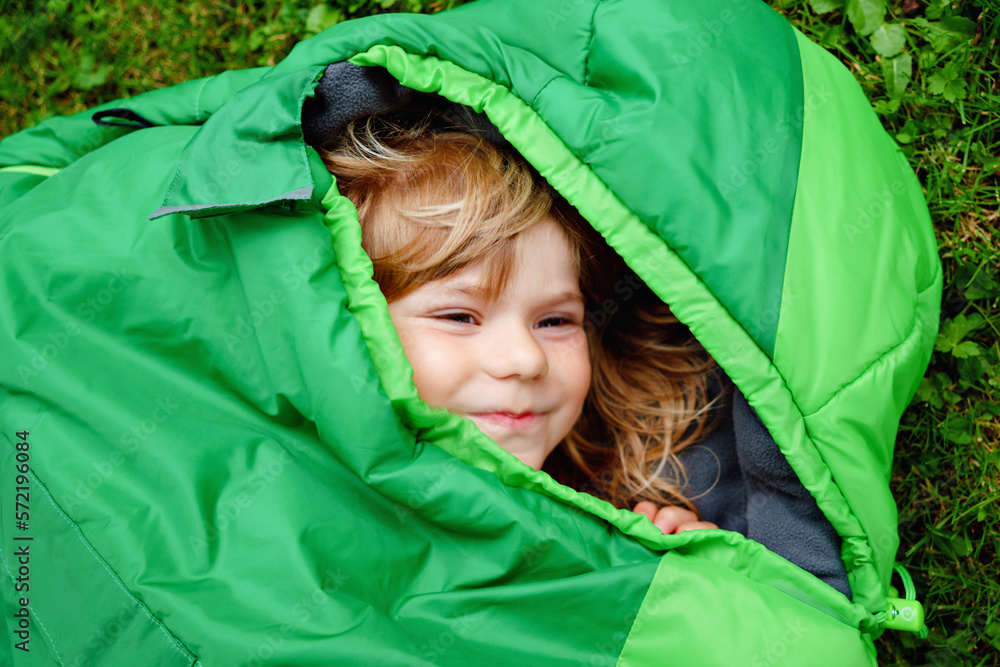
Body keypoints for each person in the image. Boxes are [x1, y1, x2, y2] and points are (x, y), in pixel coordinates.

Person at [319, 109, 721, 534]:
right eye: (459, 316)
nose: (527, 359)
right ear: (353, 323)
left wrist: (681, 574)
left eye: (554, 321)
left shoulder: (603, 520)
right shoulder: (313, 512)